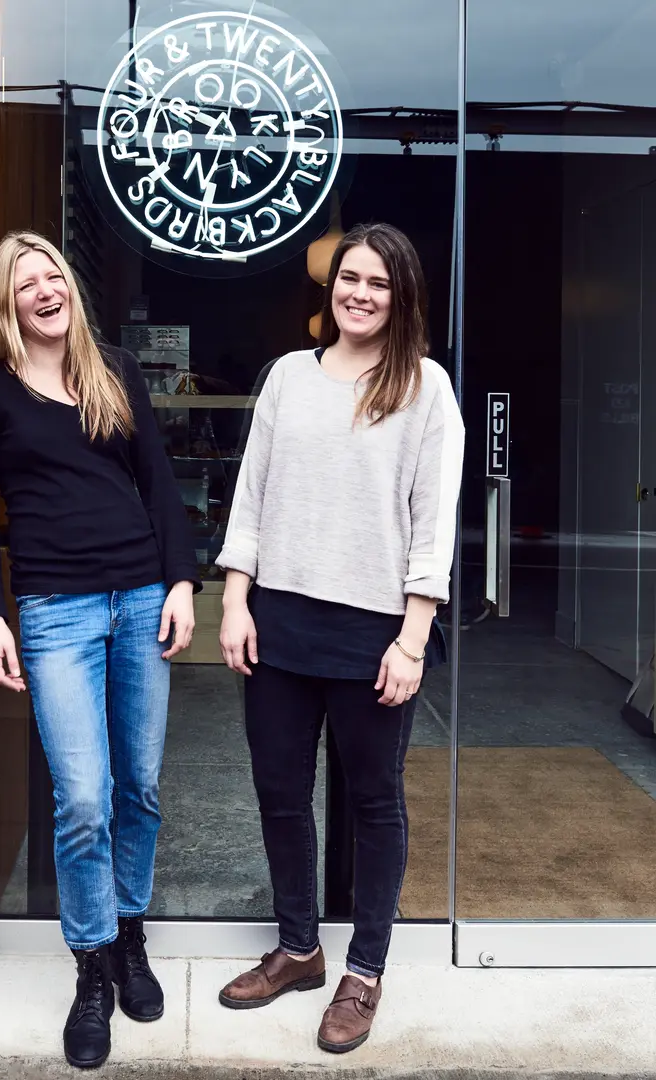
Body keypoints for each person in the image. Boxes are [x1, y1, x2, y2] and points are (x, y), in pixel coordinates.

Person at [215, 223, 464, 1054]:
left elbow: (433, 525)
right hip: (279, 622)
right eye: (348, 278)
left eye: (379, 283)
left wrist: (413, 637)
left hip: (374, 634)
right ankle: (298, 949)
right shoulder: (289, 375)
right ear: (331, 289)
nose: (360, 293)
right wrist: (235, 599)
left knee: (373, 804)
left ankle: (363, 972)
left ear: (403, 297)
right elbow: (251, 494)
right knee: (281, 796)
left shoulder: (427, 389)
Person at [0, 231, 199, 1070]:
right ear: (7, 302)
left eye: (52, 273)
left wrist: (181, 582)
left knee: (138, 784)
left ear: (71, 286)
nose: (44, 289)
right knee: (84, 798)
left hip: (139, 599)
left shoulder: (115, 369)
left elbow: (159, 483)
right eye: (25, 283)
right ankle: (92, 965)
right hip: (54, 611)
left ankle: (130, 933)